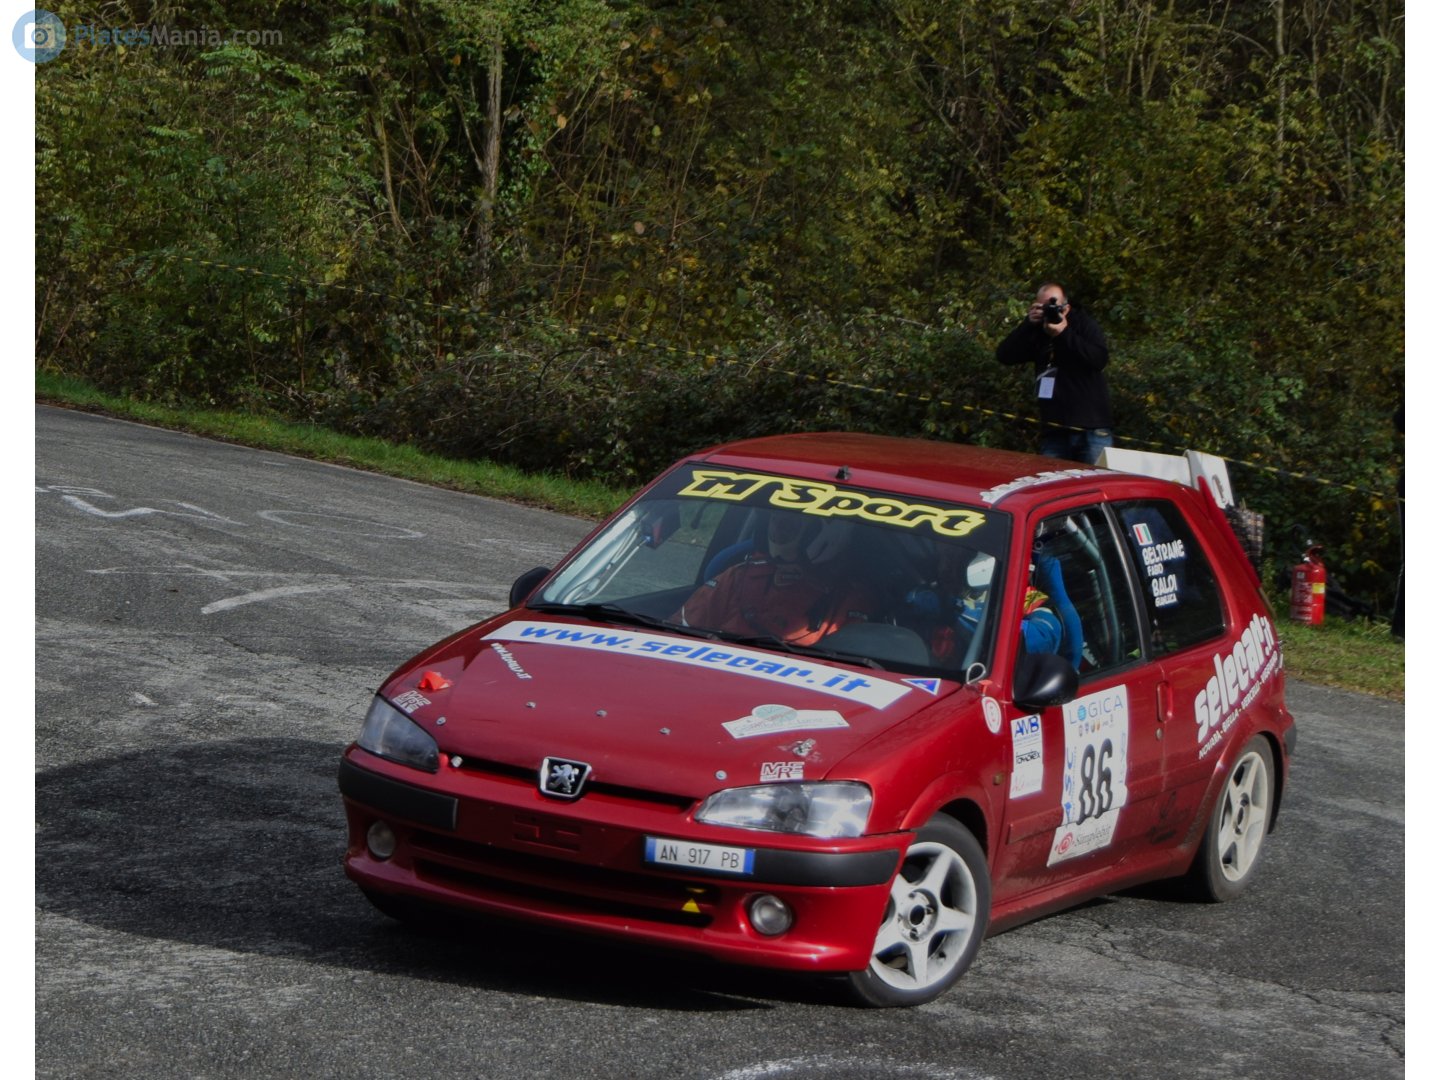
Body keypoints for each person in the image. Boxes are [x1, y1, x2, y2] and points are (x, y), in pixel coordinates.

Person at [673, 514, 872, 646]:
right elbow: (677, 632)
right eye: (774, 523)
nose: (777, 532)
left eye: (788, 526)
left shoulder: (848, 600)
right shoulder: (739, 575)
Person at [996, 282, 1114, 464]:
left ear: (1066, 307)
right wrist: (1027, 324)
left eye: (1054, 306)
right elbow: (1004, 355)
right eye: (1044, 307)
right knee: (1052, 487)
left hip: (1091, 429)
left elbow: (1099, 360)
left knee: (1094, 488)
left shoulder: (1083, 324)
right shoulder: (1037, 331)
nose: (1049, 311)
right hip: (1055, 430)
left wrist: (1063, 333)